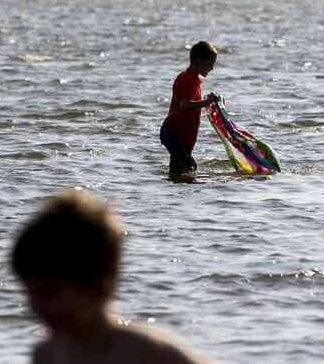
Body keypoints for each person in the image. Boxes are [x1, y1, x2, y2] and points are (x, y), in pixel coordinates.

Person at [11, 189, 211, 364]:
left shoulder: (148, 353)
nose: (36, 305)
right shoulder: (47, 354)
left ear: (99, 287)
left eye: (48, 292)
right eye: (29, 292)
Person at [160, 41, 218, 177]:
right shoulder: (187, 79)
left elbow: (193, 106)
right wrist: (206, 102)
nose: (212, 68)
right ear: (199, 60)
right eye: (210, 64)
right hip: (173, 133)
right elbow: (184, 105)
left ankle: (174, 191)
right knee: (188, 166)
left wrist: (209, 103)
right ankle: (177, 193)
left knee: (180, 171)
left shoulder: (195, 81)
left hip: (185, 136)